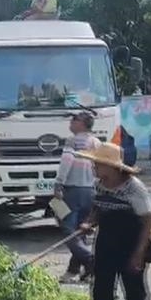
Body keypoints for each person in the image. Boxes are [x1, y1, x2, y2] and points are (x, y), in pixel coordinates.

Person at [75, 142, 151, 300]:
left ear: (113, 167)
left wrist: (139, 254)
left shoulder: (134, 188)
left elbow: (148, 219)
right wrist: (89, 222)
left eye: (99, 164)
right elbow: (98, 207)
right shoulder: (100, 184)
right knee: (101, 291)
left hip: (131, 243)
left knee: (135, 292)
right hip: (106, 243)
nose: (94, 168)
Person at [54, 112, 101, 283]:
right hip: (90, 191)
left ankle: (90, 260)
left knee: (68, 229)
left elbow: (66, 163)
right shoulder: (96, 142)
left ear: (82, 123)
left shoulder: (72, 141)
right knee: (80, 231)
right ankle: (73, 270)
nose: (71, 123)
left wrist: (58, 184)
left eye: (74, 120)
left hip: (72, 190)